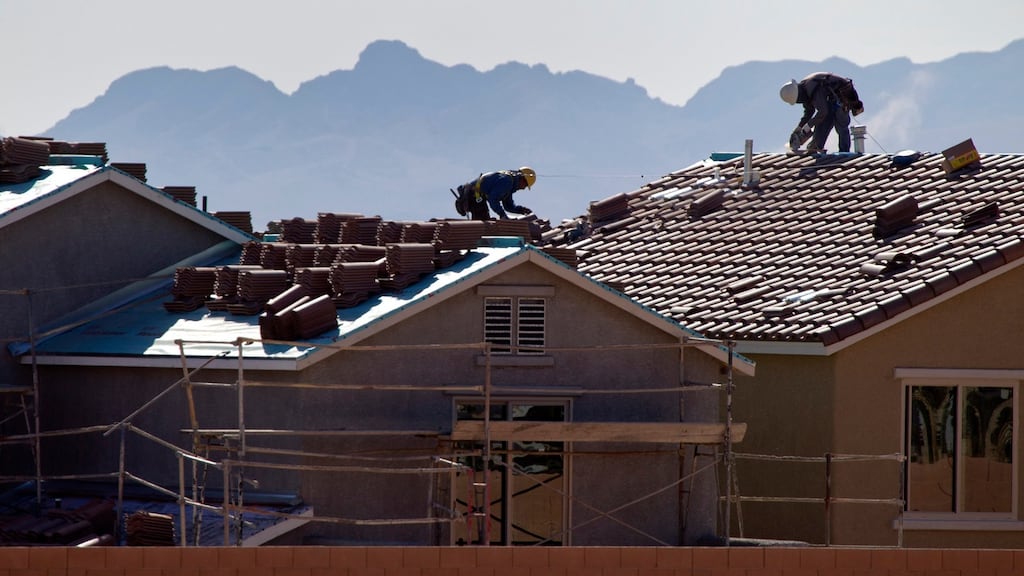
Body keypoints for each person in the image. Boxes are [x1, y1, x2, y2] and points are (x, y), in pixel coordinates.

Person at [780, 73, 864, 153]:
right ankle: (815, 147)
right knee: (821, 127)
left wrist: (807, 127)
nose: (800, 101)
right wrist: (799, 128)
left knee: (840, 125)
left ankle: (844, 153)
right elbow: (809, 112)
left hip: (841, 97)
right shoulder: (805, 92)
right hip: (829, 102)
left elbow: (823, 112)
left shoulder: (812, 88)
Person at [454, 167, 536, 220]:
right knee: (482, 225)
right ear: (522, 178)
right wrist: (502, 215)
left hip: (476, 196)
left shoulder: (510, 184)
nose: (523, 188)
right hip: (473, 195)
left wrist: (521, 210)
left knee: (485, 224)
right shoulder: (507, 181)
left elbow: (508, 206)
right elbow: (493, 199)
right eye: (525, 185)